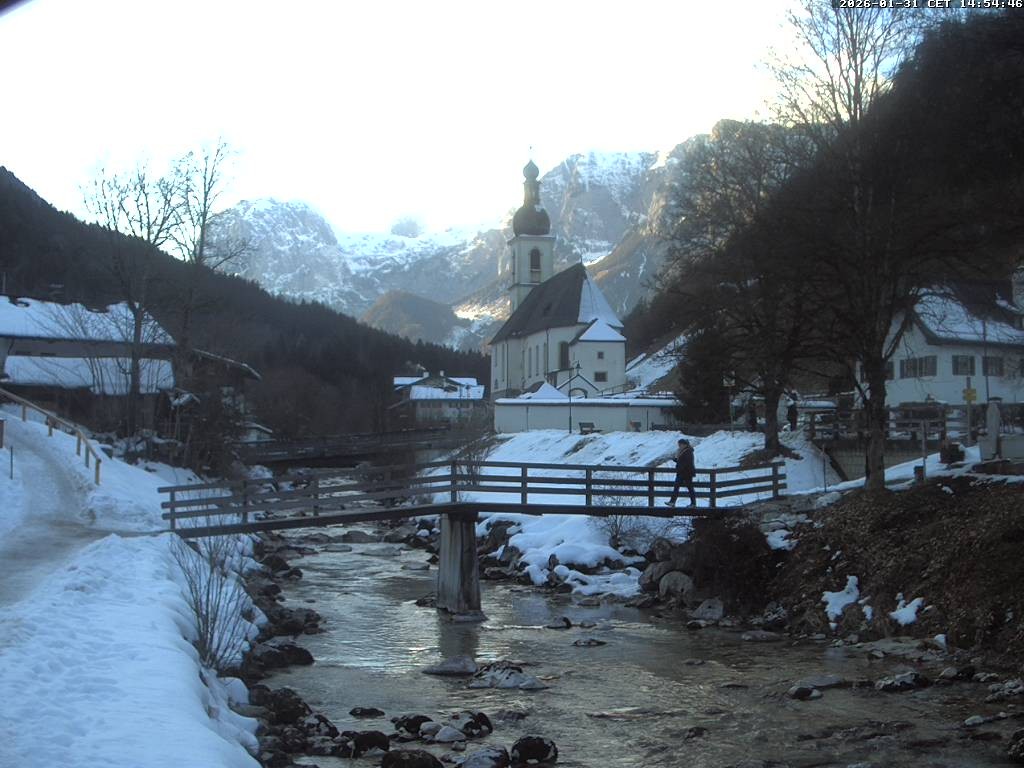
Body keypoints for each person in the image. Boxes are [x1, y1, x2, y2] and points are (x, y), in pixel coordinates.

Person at [667, 438, 696, 507]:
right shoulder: (684, 451)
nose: (679, 446)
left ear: (684, 444)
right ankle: (672, 502)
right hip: (683, 472)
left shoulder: (688, 451)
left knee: (688, 488)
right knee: (679, 487)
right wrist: (676, 460)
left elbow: (686, 462)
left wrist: (679, 466)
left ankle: (693, 503)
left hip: (686, 473)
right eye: (679, 444)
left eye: (680, 444)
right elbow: (682, 461)